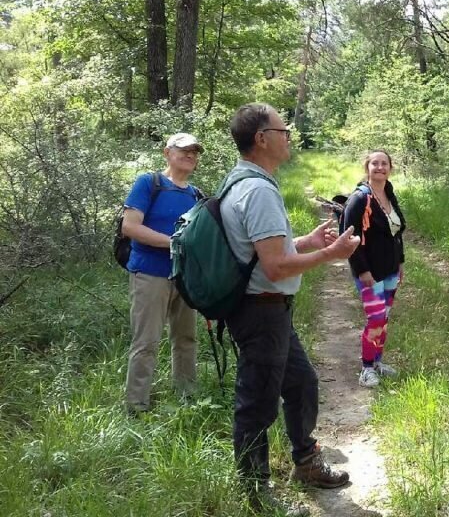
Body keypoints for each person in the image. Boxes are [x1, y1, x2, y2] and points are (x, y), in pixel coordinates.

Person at [219, 103, 361, 515]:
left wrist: (305, 242)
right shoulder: (258, 189)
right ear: (262, 138)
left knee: (300, 383)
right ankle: (255, 494)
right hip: (261, 310)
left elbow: (265, 251)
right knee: (258, 402)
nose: (289, 137)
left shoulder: (242, 181)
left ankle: (305, 461)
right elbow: (275, 266)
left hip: (267, 308)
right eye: (283, 130)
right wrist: (333, 254)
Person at [122, 132, 205, 413]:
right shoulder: (149, 183)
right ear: (166, 152)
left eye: (194, 151)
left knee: (186, 339)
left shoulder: (196, 195)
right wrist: (173, 244)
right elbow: (130, 227)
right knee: (146, 342)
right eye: (184, 150)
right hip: (149, 274)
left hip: (184, 279)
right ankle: (136, 407)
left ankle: (187, 399)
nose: (190, 154)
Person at [341, 150, 406, 388]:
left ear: (390, 168)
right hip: (369, 272)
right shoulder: (360, 199)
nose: (380, 167)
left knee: (384, 318)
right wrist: (362, 271)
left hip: (390, 270)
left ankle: (378, 362)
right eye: (375, 163)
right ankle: (366, 368)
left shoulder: (389, 194)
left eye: (384, 163)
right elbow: (348, 238)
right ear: (367, 168)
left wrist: (400, 262)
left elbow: (396, 233)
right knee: (376, 319)